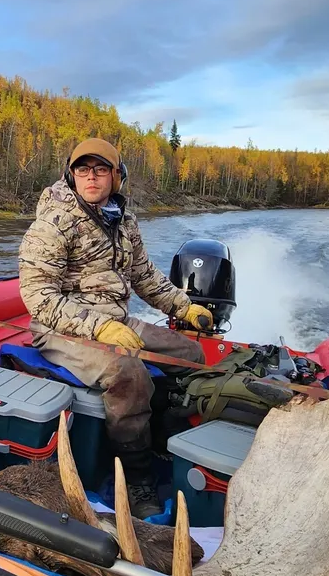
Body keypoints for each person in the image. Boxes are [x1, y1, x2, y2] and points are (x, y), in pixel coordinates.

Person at [18, 137, 215, 517]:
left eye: (101, 169)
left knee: (191, 355)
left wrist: (184, 306)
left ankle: (160, 434)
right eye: (82, 170)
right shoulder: (52, 224)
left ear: (117, 177)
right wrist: (99, 329)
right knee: (128, 373)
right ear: (71, 175)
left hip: (117, 320)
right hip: (61, 329)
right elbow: (39, 297)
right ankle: (138, 475)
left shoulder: (123, 220)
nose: (91, 177)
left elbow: (143, 275)